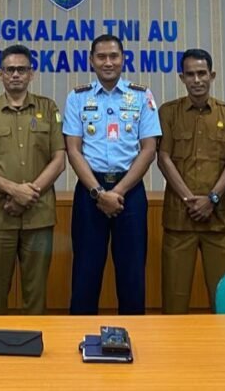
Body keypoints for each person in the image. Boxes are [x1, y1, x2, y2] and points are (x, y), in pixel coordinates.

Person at [63, 34, 162, 315]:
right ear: (91, 61)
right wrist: (98, 192)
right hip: (89, 192)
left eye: (114, 56)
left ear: (123, 59)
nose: (108, 62)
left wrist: (117, 192)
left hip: (129, 193)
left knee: (132, 274)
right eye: (101, 57)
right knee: (85, 273)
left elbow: (149, 149)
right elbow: (73, 149)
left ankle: (133, 340)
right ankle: (78, 340)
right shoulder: (77, 97)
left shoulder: (142, 96)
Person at [0, 45, 65, 314]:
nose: (16, 75)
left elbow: (59, 159)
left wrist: (29, 194)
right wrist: (13, 190)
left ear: (32, 74)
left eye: (22, 69)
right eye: (10, 70)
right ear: (0, 74)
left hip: (39, 216)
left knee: (36, 295)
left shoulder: (48, 107)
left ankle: (34, 348)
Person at [157, 49, 225, 313]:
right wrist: (189, 199)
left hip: (218, 221)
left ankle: (223, 354)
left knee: (223, 299)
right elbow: (163, 157)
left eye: (202, 73)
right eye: (191, 74)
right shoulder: (168, 112)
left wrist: (212, 199)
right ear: (182, 77)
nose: (197, 80)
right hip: (179, 220)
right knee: (174, 300)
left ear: (212, 75)